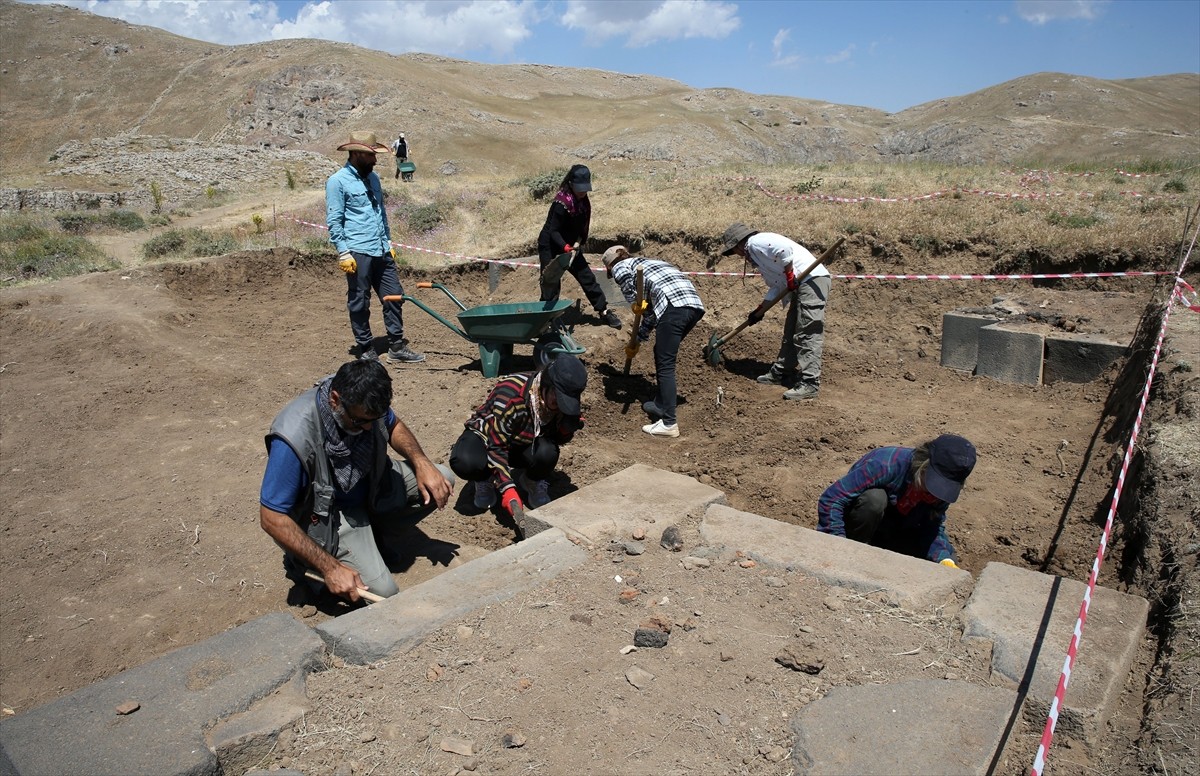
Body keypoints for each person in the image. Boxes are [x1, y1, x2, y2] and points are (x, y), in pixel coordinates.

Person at [259, 359, 456, 602]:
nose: (369, 428)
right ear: (335, 400)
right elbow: (271, 518)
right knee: (383, 592)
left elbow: (393, 425)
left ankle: (374, 535)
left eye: (375, 418)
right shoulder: (295, 437)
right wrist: (330, 568)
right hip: (329, 514)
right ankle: (303, 565)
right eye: (361, 421)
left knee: (442, 478)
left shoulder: (365, 402)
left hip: (370, 481)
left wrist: (421, 462)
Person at [449, 354, 587, 531]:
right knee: (466, 461)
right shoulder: (512, 394)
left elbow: (555, 439)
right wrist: (507, 488)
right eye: (558, 397)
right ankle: (485, 479)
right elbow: (496, 445)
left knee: (548, 452)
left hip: (523, 439)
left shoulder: (565, 397)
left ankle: (530, 481)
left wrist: (565, 430)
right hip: (489, 436)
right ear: (547, 384)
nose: (560, 404)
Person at [326, 131, 424, 364]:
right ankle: (365, 347)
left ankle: (397, 346)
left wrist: (388, 242)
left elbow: (381, 214)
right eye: (371, 156)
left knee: (394, 296)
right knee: (360, 300)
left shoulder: (374, 178)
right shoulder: (337, 181)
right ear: (358, 154)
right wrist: (343, 252)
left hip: (380, 249)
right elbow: (334, 219)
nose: (375, 160)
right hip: (357, 250)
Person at [816, 434, 976, 567]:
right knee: (874, 500)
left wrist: (944, 559)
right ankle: (857, 550)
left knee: (947, 559)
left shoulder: (942, 491)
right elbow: (832, 499)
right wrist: (838, 545)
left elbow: (932, 526)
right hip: (861, 526)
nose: (934, 495)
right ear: (923, 464)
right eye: (934, 484)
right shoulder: (885, 464)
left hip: (899, 529)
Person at [719, 222, 831, 400]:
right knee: (791, 329)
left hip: (812, 279)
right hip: (801, 283)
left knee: (807, 331)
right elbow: (778, 285)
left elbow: (784, 250)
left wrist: (789, 276)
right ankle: (782, 371)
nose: (738, 255)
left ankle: (810, 383)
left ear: (739, 243)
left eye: (734, 250)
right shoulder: (759, 257)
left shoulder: (755, 243)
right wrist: (759, 310)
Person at [602, 245, 706, 438]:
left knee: (665, 362)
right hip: (693, 307)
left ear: (609, 267)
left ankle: (669, 423)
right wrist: (638, 340)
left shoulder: (620, 266)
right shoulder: (653, 263)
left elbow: (627, 283)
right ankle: (660, 404)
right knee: (662, 351)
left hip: (674, 307)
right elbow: (651, 314)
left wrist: (633, 300)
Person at [537, 164, 622, 330]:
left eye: (585, 188)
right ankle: (545, 320)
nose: (583, 192)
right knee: (550, 282)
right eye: (579, 188)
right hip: (551, 244)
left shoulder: (583, 201)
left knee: (587, 277)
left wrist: (581, 239)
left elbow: (584, 223)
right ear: (570, 184)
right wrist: (565, 247)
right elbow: (553, 231)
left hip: (571, 245)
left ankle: (603, 311)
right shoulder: (561, 203)